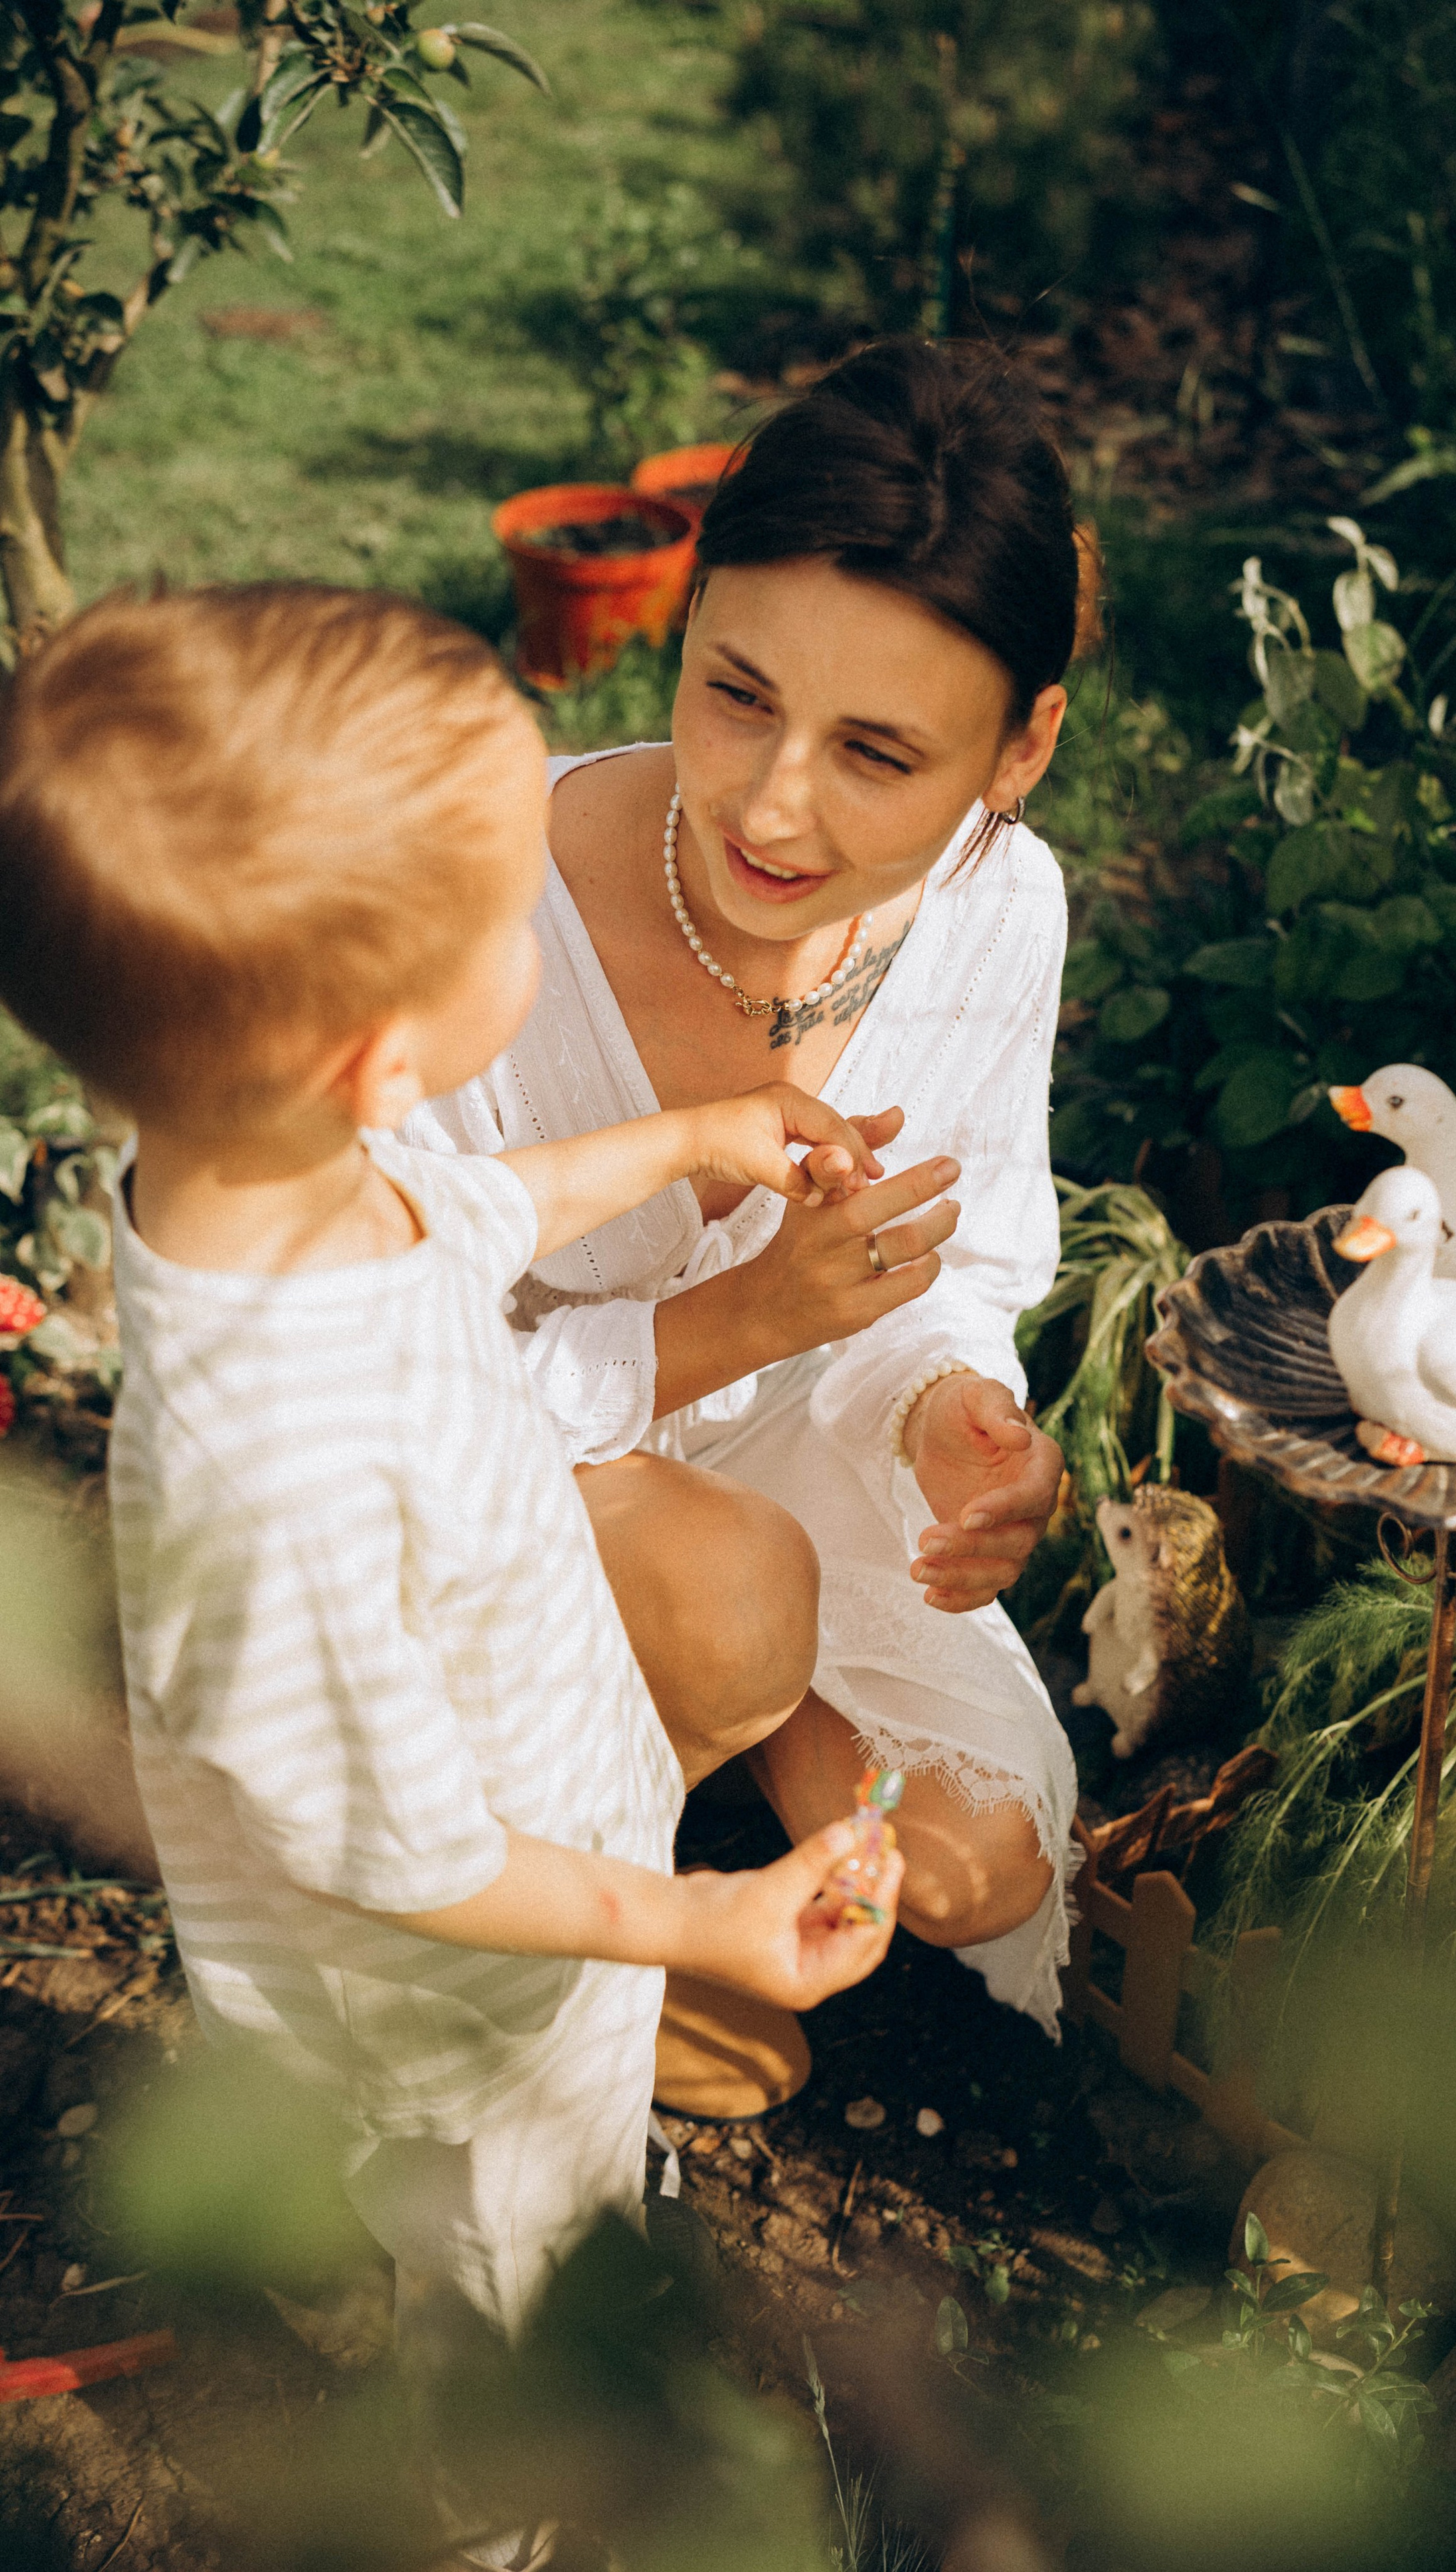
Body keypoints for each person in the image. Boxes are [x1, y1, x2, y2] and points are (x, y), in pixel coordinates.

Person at [0, 583, 905, 2571]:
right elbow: (407, 1859)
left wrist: (690, 1132)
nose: (543, 927)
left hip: (548, 1820)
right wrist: (696, 1924)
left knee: (531, 2164)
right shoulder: (277, 1464)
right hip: (465, 1988)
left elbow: (472, 1205)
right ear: (378, 1053)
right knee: (507, 2266)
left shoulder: (288, 1173)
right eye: (513, 915)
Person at [406, 337, 1082, 2098]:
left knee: (974, 1863)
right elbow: (383, 1374)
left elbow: (963, 1256)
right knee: (726, 1593)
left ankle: (725, 1729)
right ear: (687, 617)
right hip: (478, 1483)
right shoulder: (479, 910)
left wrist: (953, 1413)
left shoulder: (1000, 912)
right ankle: (522, 1944)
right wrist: (748, 1319)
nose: (774, 804)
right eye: (737, 694)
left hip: (788, 1442)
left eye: (878, 752)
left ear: (1020, 747)